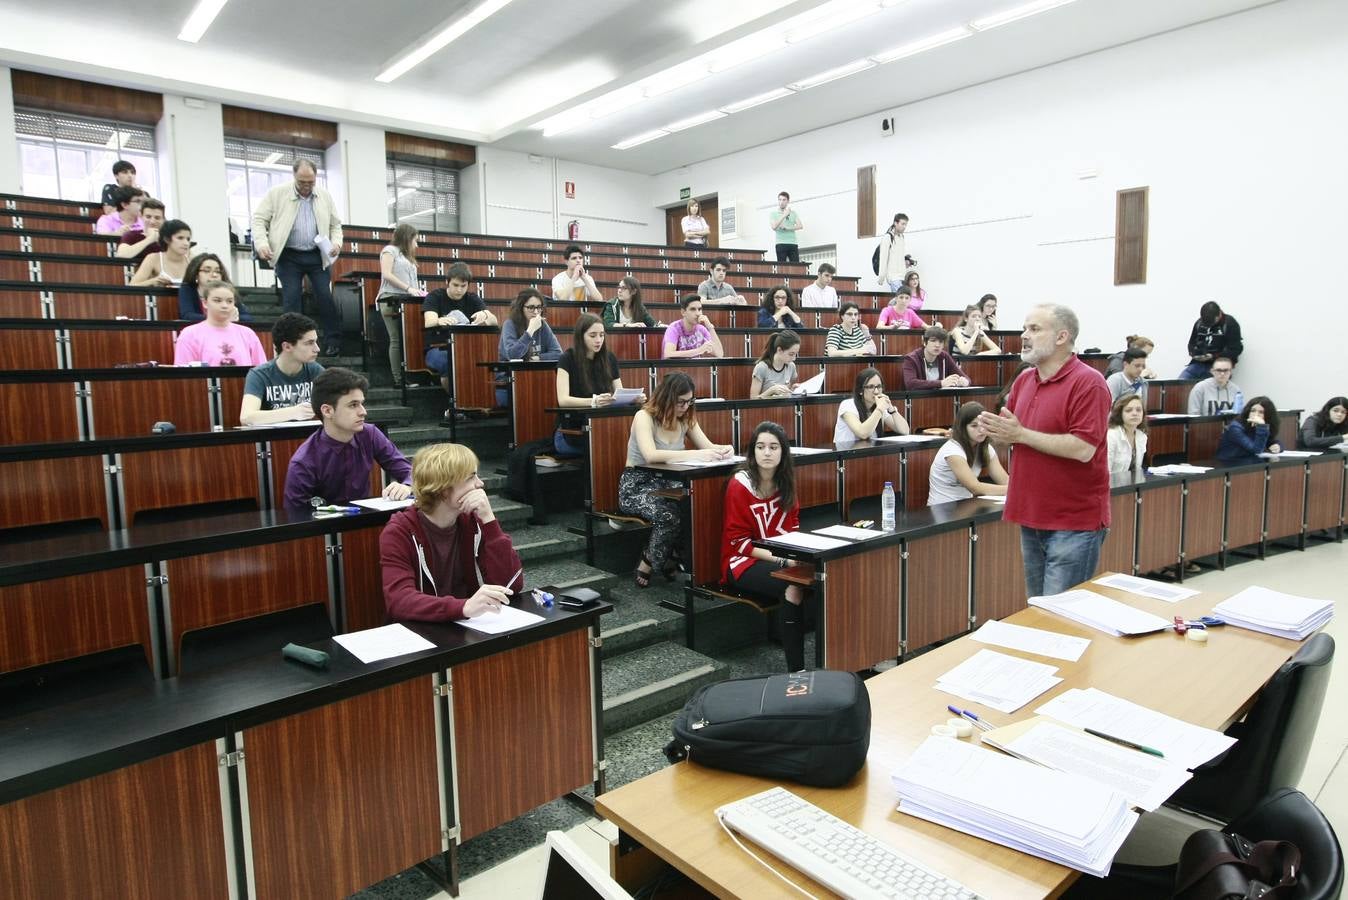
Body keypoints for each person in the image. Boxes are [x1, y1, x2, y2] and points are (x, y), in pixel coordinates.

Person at [977, 304, 1111, 598]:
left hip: (1073, 522)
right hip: (1031, 515)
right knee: (1038, 612)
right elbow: (1012, 439)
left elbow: (1084, 448)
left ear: (1062, 337)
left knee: (1062, 620)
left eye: (1034, 329)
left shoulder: (1089, 383)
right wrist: (994, 434)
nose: (1024, 336)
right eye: (1025, 328)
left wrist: (1020, 434)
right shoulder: (1024, 380)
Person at [381, 442, 523, 622]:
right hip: (421, 631)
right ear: (442, 488)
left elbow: (511, 585)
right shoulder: (399, 531)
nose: (480, 483)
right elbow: (399, 601)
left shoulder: (472, 520)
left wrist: (490, 520)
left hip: (463, 624)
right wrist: (463, 607)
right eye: (471, 477)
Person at [618, 373, 733, 587]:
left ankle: (673, 557)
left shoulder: (686, 417)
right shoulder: (644, 417)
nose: (685, 407)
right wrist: (694, 455)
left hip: (670, 482)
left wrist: (725, 450)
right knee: (669, 516)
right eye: (681, 402)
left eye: (690, 402)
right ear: (667, 398)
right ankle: (649, 560)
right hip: (637, 485)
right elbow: (651, 455)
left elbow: (708, 446)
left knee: (696, 505)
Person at [721, 421, 811, 670]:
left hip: (779, 557)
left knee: (828, 578)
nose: (767, 452)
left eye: (773, 447)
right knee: (793, 587)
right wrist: (784, 560)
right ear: (753, 452)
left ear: (783, 452)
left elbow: (792, 529)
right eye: (760, 447)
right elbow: (738, 544)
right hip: (742, 562)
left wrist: (797, 556)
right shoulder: (739, 485)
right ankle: (797, 672)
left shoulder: (786, 482)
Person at [252, 159, 344, 356]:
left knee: (325, 296)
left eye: (310, 182)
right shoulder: (277, 193)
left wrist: (336, 243)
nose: (306, 186)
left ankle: (333, 340)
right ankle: (293, 343)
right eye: (302, 182)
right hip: (288, 255)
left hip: (316, 254)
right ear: (294, 176)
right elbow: (259, 219)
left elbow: (336, 225)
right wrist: (262, 243)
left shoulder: (324, 196)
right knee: (292, 298)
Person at [283, 367, 412, 508]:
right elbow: (295, 517)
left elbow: (409, 472)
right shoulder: (304, 461)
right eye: (353, 405)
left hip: (365, 524)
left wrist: (407, 486)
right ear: (327, 411)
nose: (363, 412)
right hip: (327, 527)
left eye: (362, 404)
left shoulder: (370, 434)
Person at [554, 314, 644, 457]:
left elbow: (619, 392)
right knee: (608, 449)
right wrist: (594, 401)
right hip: (573, 432)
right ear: (581, 336)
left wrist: (632, 399)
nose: (598, 340)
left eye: (602, 335)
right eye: (593, 335)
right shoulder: (567, 359)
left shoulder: (609, 358)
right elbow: (563, 400)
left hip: (604, 427)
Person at [423, 262, 496, 420]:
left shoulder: (472, 299)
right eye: (455, 285)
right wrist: (440, 320)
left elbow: (494, 321)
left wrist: (486, 317)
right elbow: (429, 321)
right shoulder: (435, 296)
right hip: (437, 349)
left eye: (463, 286)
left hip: (466, 349)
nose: (459, 290)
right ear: (447, 282)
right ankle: (461, 404)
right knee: (449, 362)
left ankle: (472, 403)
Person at [240, 312, 323, 425]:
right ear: (287, 346)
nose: (317, 349)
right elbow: (246, 418)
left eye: (316, 342)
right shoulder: (259, 374)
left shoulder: (316, 370)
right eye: (309, 343)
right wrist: (294, 412)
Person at [927, 402, 1008, 505]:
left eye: (984, 425)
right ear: (962, 428)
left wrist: (1018, 489)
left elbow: (1004, 480)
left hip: (966, 506)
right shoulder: (952, 450)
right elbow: (975, 488)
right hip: (942, 509)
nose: (981, 430)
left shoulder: (985, 448)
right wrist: (1012, 490)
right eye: (974, 426)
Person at [376, 224, 425, 389]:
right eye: (415, 240)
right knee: (396, 339)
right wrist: (409, 289)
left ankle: (409, 375)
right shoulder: (389, 250)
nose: (416, 245)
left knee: (408, 339)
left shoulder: (407, 257)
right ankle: (398, 379)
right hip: (391, 299)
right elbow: (387, 274)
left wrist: (417, 292)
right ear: (406, 238)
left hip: (408, 301)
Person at [172, 281, 266, 367]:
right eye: (217, 300)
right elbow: (184, 374)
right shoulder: (189, 334)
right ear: (205, 303)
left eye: (229, 301)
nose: (224, 305)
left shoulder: (248, 333)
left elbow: (261, 370)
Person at [498, 288, 561, 406]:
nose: (536, 312)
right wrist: (530, 331)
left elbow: (558, 353)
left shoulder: (543, 326)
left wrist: (538, 358)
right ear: (521, 308)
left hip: (535, 380)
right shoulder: (509, 324)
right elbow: (513, 354)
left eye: (539, 307)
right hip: (509, 383)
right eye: (531, 307)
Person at [835, 367, 911, 442]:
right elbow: (863, 433)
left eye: (879, 386)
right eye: (871, 387)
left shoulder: (880, 407)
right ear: (860, 390)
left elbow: (905, 431)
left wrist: (892, 409)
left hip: (870, 451)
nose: (876, 391)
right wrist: (879, 410)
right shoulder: (847, 405)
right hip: (847, 452)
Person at [1180, 301, 1243, 379]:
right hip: (1197, 364)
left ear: (1219, 315)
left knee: (1207, 387)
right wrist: (1194, 354)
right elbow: (1191, 344)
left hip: (1219, 367)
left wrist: (1213, 356)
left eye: (1211, 323)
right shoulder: (1199, 323)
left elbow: (1235, 349)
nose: (1208, 325)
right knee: (1180, 382)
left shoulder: (1230, 323)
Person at [178, 254, 243, 322]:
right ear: (196, 274)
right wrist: (220, 319)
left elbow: (247, 317)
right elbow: (187, 316)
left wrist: (234, 317)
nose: (214, 275)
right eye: (207, 271)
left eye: (217, 271)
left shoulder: (228, 291)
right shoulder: (188, 290)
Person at [1217, 396, 1281, 464]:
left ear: (1268, 415)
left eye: (1261, 412)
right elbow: (1256, 450)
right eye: (1253, 411)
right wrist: (1262, 426)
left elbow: (1271, 440)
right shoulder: (1235, 427)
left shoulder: (1259, 426)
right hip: (1231, 462)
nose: (1256, 415)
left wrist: (1278, 446)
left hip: (1249, 460)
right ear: (1248, 412)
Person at [901, 327, 970, 389]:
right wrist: (941, 383)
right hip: (918, 400)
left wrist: (965, 382)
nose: (937, 345)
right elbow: (910, 383)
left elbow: (966, 378)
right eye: (933, 341)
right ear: (925, 342)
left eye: (941, 342)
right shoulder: (911, 359)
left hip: (939, 399)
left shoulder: (944, 356)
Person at [129, 219, 191, 287]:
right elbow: (132, 286)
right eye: (180, 238)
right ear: (167, 239)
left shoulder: (192, 260)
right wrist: (152, 282)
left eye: (188, 239)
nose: (186, 243)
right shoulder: (153, 258)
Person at [1106, 393, 1149, 475]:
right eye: (1128, 410)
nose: (1135, 413)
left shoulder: (1142, 436)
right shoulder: (1111, 436)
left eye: (1139, 410)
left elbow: (1137, 469)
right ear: (1119, 414)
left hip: (1131, 485)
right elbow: (1106, 471)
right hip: (1112, 485)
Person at [750, 331, 800, 399]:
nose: (794, 358)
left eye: (795, 354)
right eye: (791, 354)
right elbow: (753, 399)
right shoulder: (761, 367)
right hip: (765, 408)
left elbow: (784, 394)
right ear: (779, 350)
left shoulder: (791, 366)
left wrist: (792, 390)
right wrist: (771, 391)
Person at [876, 213, 916, 292]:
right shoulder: (887, 238)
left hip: (902, 276)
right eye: (902, 224)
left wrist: (905, 262)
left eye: (906, 224)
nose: (904, 227)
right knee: (902, 300)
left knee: (901, 301)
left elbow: (898, 257)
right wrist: (881, 277)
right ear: (895, 223)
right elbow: (883, 258)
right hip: (893, 277)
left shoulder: (901, 237)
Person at [769, 191, 803, 263]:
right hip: (781, 243)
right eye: (780, 199)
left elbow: (800, 226)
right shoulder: (773, 214)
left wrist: (788, 228)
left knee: (796, 266)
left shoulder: (793, 213)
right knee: (782, 267)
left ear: (788, 201)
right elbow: (774, 227)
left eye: (784, 200)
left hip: (793, 243)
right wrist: (784, 215)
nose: (781, 202)